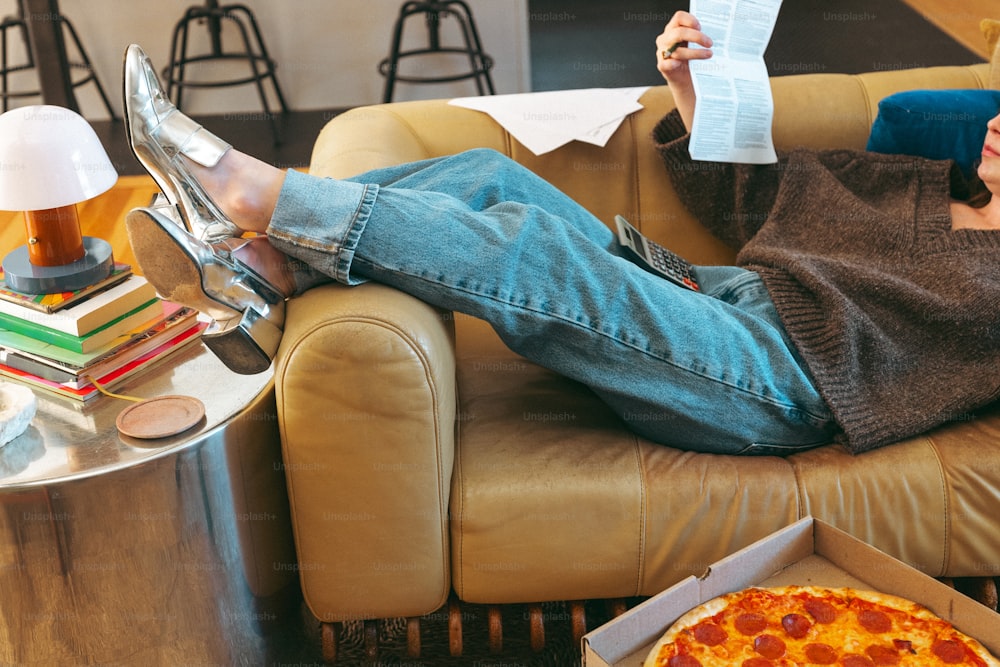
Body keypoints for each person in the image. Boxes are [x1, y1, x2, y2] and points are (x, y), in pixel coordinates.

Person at [120, 10, 1000, 457]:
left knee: (534, 251)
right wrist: (697, 92)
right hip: (729, 301)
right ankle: (270, 271)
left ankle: (248, 191)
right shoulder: (920, 181)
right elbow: (761, 203)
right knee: (493, 178)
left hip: (785, 383)